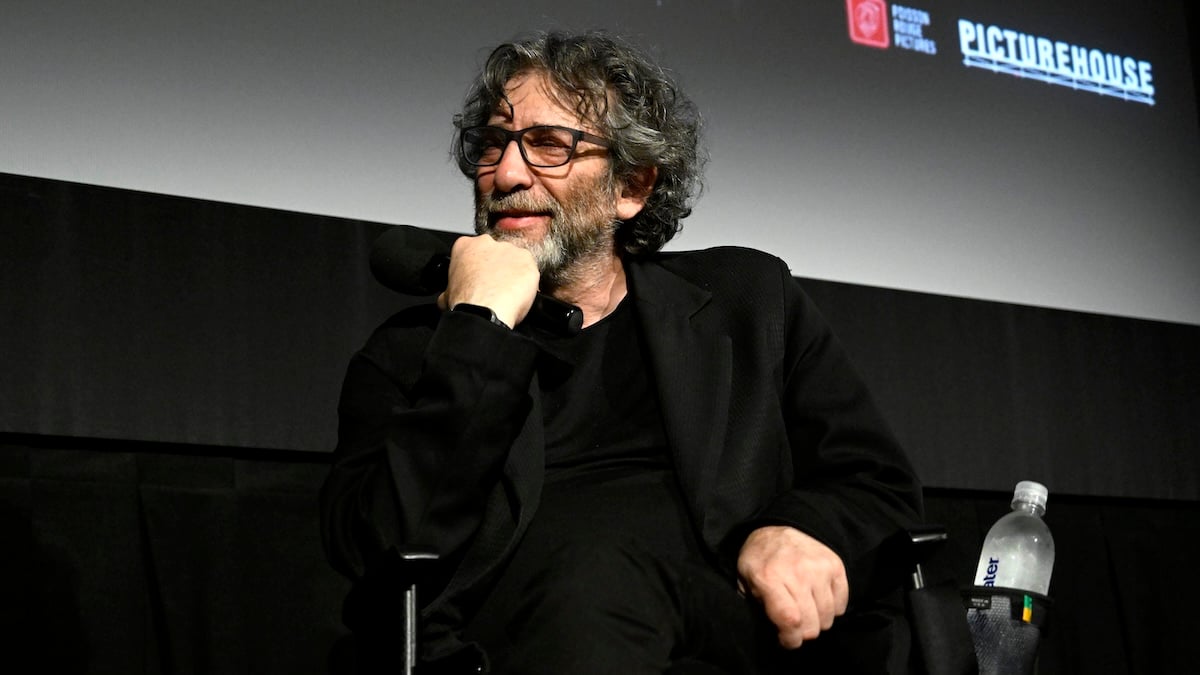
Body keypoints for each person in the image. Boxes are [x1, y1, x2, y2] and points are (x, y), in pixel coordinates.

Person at [320, 30, 923, 675]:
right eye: (493, 143)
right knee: (593, 575)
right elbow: (377, 550)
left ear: (630, 187)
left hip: (733, 633)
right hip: (515, 648)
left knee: (604, 572)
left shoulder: (746, 302)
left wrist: (799, 527)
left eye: (549, 145)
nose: (507, 174)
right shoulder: (414, 353)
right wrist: (481, 328)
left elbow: (877, 484)